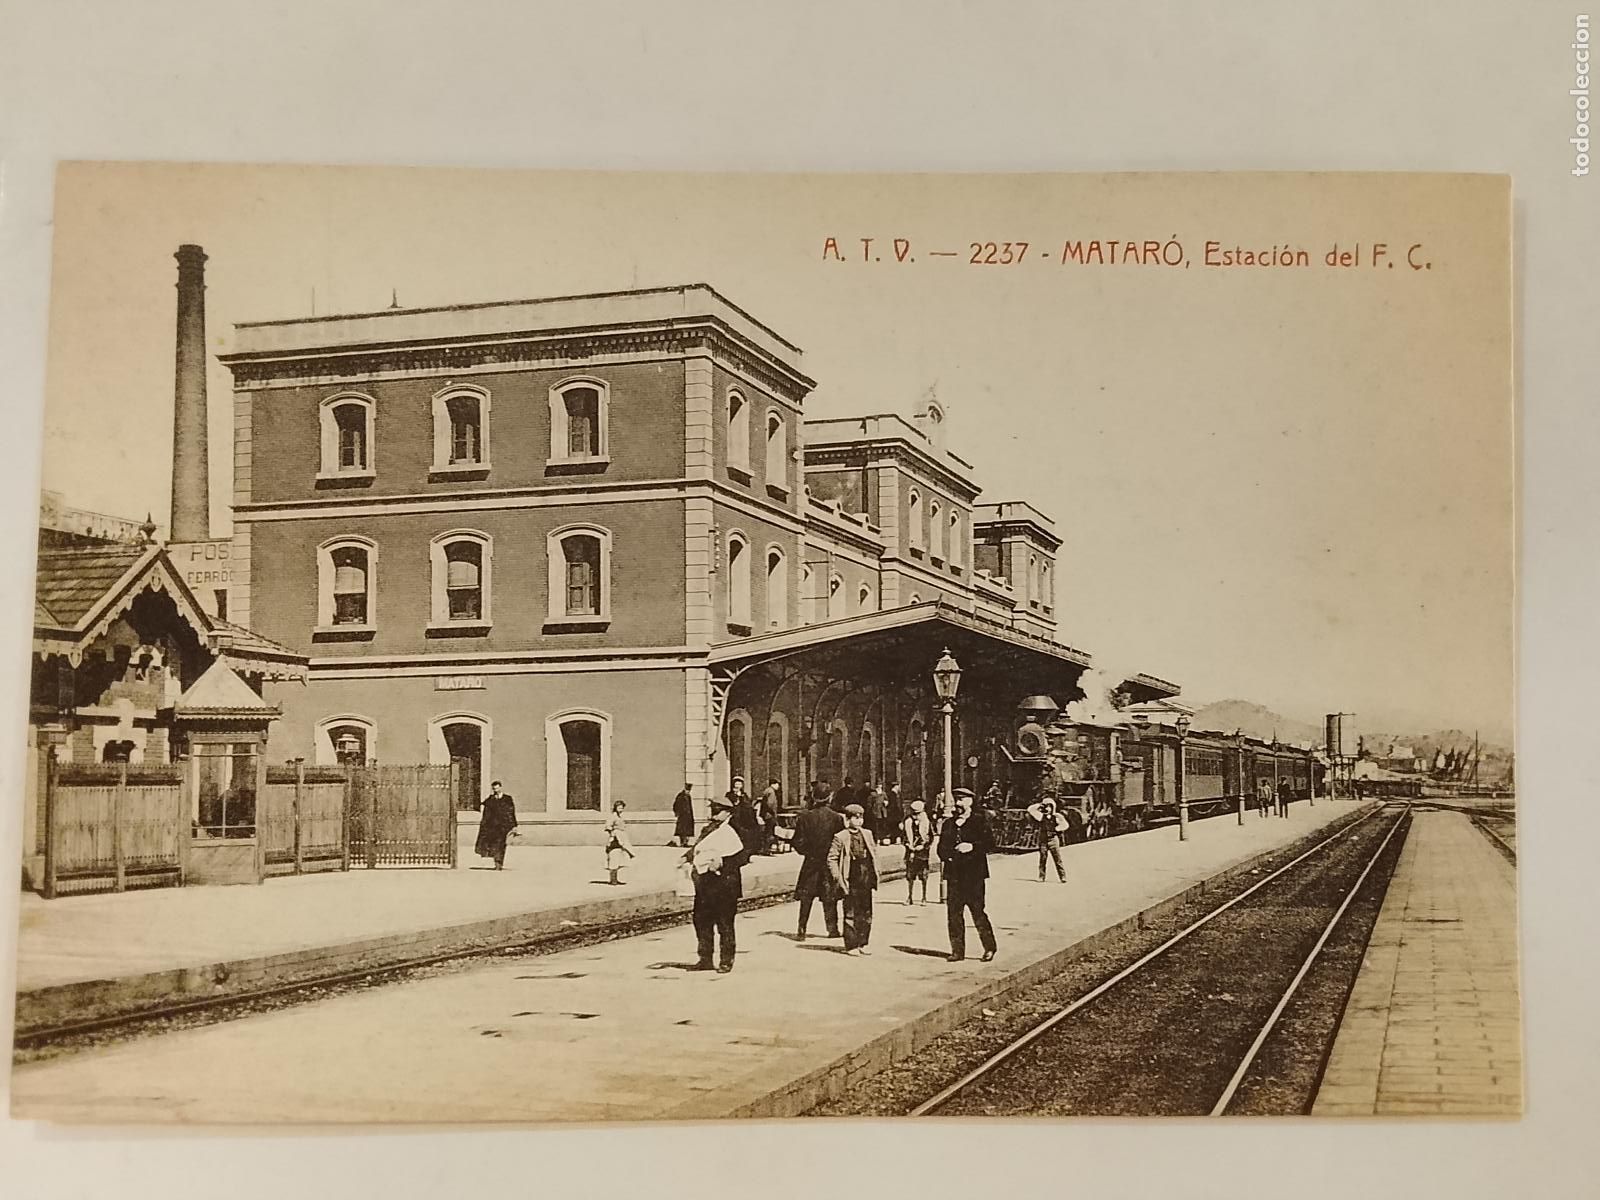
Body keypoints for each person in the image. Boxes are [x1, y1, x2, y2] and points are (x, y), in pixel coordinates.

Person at [685, 794, 749, 973]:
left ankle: (726, 961)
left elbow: (743, 856)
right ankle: (705, 958)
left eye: (717, 810)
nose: (713, 813)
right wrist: (687, 856)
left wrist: (723, 862)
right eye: (712, 809)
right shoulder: (708, 829)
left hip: (725, 884)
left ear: (727, 812)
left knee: (724, 924)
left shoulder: (735, 829)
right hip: (705, 884)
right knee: (701, 921)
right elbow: (700, 847)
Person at [938, 787, 997, 962]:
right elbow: (941, 848)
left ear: (970, 801)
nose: (958, 803)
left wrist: (972, 846)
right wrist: (948, 855)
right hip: (954, 876)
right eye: (956, 799)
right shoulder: (948, 823)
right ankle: (957, 951)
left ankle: (989, 947)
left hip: (974, 876)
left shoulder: (979, 821)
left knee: (978, 912)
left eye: (962, 800)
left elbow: (990, 843)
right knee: (954, 914)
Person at [791, 784, 844, 939]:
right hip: (828, 863)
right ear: (830, 797)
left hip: (811, 863)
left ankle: (801, 930)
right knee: (830, 898)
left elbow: (797, 841)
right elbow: (839, 842)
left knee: (806, 898)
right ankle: (832, 930)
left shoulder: (804, 816)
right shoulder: (837, 818)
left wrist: (808, 852)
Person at [828, 804, 880, 955]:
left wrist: (876, 871)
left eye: (861, 818)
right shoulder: (840, 837)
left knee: (866, 911)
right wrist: (837, 877)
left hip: (866, 876)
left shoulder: (867, 834)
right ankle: (851, 945)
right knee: (850, 911)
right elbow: (831, 859)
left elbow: (874, 852)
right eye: (855, 818)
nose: (859, 821)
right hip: (850, 876)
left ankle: (864, 942)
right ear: (847, 819)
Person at [474, 780, 518, 870]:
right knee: (494, 845)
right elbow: (486, 814)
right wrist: (484, 825)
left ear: (500, 788)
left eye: (497, 788)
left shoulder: (507, 799)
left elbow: (511, 812)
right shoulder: (490, 799)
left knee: (501, 844)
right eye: (494, 789)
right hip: (492, 827)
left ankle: (499, 863)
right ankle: (497, 862)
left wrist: (514, 825)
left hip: (503, 826)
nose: (495, 790)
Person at [1026, 795, 1070, 883]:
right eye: (1046, 806)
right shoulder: (1041, 816)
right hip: (1043, 840)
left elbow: (1065, 825)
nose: (1047, 808)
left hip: (1053, 839)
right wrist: (1040, 805)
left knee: (1057, 859)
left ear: (1053, 807)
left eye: (1049, 806)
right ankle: (1041, 876)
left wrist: (1057, 829)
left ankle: (1062, 876)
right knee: (1043, 859)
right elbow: (1030, 809)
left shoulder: (1056, 817)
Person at [901, 798, 935, 905]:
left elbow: (930, 837)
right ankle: (909, 897)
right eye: (914, 813)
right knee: (910, 876)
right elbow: (904, 837)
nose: (915, 816)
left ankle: (924, 897)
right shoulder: (908, 822)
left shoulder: (926, 822)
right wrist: (907, 844)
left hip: (922, 854)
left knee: (923, 876)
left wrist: (923, 846)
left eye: (918, 813)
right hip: (910, 852)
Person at [603, 799, 636, 885]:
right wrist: (613, 834)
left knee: (620, 859)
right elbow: (608, 826)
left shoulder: (620, 817)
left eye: (622, 808)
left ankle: (616, 878)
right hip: (615, 839)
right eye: (619, 808)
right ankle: (612, 879)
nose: (620, 809)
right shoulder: (613, 816)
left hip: (622, 839)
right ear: (615, 808)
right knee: (614, 858)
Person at [757, 777, 781, 854]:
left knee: (767, 831)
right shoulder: (771, 792)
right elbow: (770, 804)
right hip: (769, 814)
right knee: (769, 831)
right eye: (777, 784)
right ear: (773, 784)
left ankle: (765, 848)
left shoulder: (767, 790)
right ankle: (766, 849)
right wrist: (773, 813)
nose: (778, 786)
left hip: (765, 814)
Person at [672, 782, 696, 847]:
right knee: (682, 830)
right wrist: (677, 812)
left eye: (689, 790)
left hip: (688, 816)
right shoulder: (680, 796)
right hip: (682, 816)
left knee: (688, 830)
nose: (688, 792)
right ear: (685, 789)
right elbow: (675, 805)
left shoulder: (688, 796)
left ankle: (685, 842)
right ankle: (682, 842)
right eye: (687, 790)